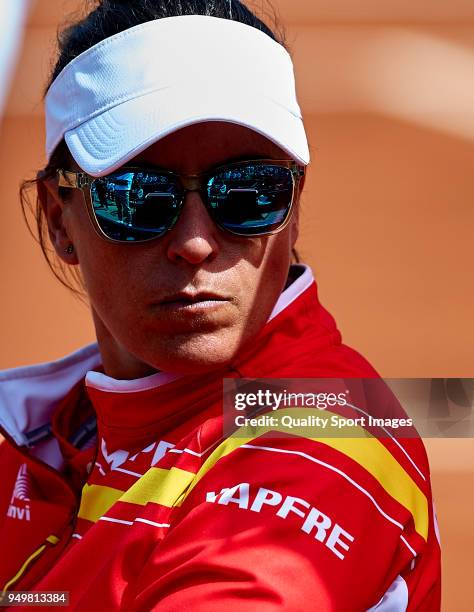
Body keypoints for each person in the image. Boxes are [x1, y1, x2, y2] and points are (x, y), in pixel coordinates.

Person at [0, 1, 441, 610]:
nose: (196, 242)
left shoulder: (320, 450)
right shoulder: (34, 429)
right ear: (60, 221)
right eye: (138, 198)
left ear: (294, 204)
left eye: (250, 193)